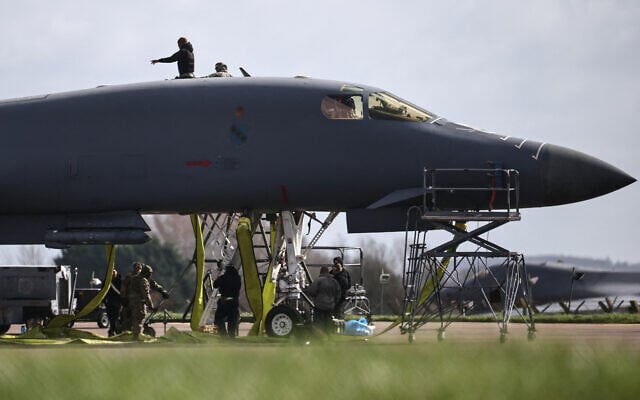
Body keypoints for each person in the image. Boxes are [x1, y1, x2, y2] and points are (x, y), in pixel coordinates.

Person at [304, 265, 341, 334]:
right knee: (328, 322)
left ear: (321, 272)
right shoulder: (334, 281)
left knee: (319, 323)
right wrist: (334, 303)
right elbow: (338, 294)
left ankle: (320, 336)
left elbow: (311, 291)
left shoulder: (318, 280)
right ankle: (328, 335)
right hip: (330, 306)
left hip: (319, 305)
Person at [212, 264, 242, 337]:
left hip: (224, 301)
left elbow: (215, 285)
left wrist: (220, 275)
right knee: (232, 320)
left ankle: (223, 334)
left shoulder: (223, 278)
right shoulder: (238, 278)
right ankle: (231, 335)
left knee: (218, 319)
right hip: (234, 301)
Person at [127, 265, 155, 340]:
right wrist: (151, 305)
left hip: (131, 301)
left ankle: (133, 335)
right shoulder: (143, 280)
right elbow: (145, 294)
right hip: (139, 302)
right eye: (149, 273)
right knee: (139, 318)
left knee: (133, 319)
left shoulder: (134, 278)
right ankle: (136, 337)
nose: (150, 275)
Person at [119, 262, 143, 332]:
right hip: (132, 301)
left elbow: (123, 289)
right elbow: (123, 288)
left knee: (128, 319)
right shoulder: (133, 277)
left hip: (130, 300)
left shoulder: (129, 277)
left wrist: (123, 298)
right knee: (132, 319)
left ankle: (128, 332)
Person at [104, 269, 123, 337]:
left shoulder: (120, 281)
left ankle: (114, 330)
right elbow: (103, 291)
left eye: (114, 272)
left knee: (116, 317)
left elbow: (123, 291)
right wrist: (104, 301)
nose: (113, 274)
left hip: (118, 302)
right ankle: (112, 331)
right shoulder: (106, 281)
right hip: (109, 302)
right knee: (111, 318)